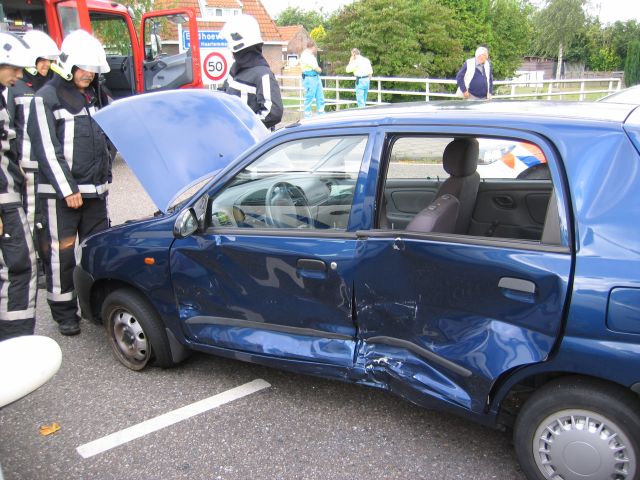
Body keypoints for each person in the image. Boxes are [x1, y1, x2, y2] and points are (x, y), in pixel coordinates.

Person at [27, 30, 112, 336]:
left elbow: (107, 135)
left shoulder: (95, 95)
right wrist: (68, 189)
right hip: (62, 197)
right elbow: (47, 150)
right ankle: (65, 313)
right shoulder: (46, 98)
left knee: (97, 252)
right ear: (68, 65)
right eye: (83, 68)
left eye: (92, 69)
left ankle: (98, 306)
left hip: (95, 194)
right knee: (60, 256)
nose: (88, 73)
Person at [0, 32, 38, 342]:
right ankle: (16, 341)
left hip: (9, 196)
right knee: (18, 268)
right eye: (13, 67)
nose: (19, 74)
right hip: (3, 201)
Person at [8, 30, 60, 236]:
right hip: (27, 164)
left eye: (49, 60)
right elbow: (11, 129)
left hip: (44, 161)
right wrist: (16, 162)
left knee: (46, 215)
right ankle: (35, 256)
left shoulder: (46, 84)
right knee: (31, 212)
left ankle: (43, 253)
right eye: (43, 60)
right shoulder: (16, 88)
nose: (47, 64)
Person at [220, 14, 283, 130]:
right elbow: (224, 94)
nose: (229, 49)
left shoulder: (263, 75)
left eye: (230, 45)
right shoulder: (236, 69)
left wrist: (244, 126)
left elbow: (273, 113)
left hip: (254, 142)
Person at [299, 40, 325, 118]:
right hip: (310, 78)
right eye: (315, 47)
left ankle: (321, 114)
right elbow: (316, 68)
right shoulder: (306, 55)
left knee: (320, 97)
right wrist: (321, 70)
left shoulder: (310, 55)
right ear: (313, 47)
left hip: (315, 77)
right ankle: (308, 117)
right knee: (309, 98)